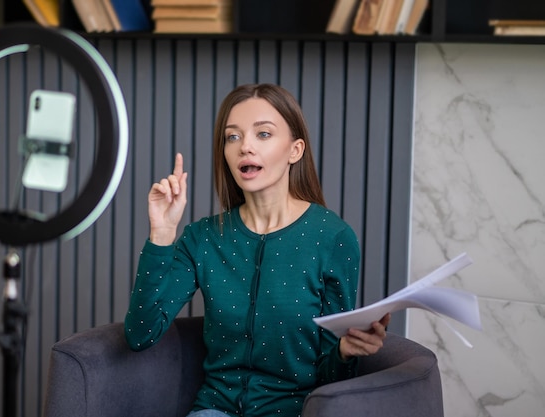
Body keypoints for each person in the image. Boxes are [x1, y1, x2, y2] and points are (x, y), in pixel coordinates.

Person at [125, 83, 390, 417]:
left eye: (263, 134)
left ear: (295, 150)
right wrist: (162, 233)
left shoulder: (332, 238)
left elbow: (331, 378)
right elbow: (140, 334)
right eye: (232, 137)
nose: (244, 147)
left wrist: (345, 352)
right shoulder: (203, 238)